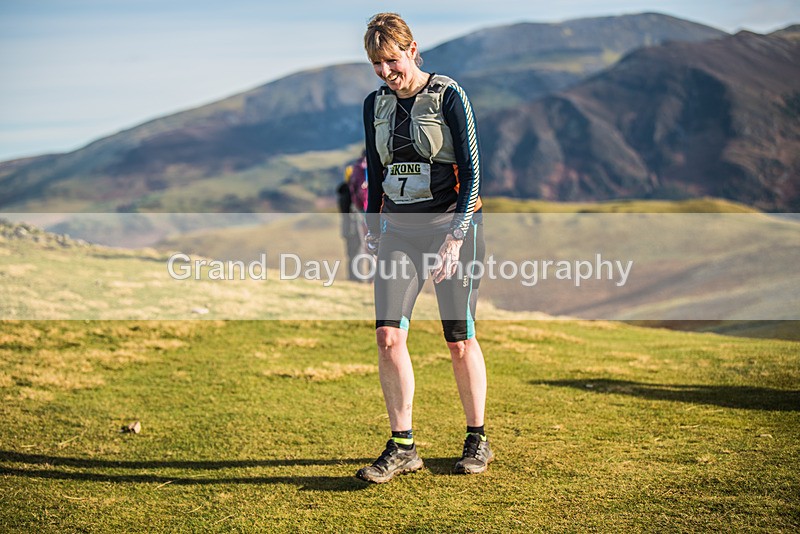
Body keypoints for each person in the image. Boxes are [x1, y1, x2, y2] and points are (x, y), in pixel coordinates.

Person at [356, 12, 493, 484]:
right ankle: (403, 446)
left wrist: (455, 238)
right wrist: (372, 229)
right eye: (377, 65)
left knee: (459, 340)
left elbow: (473, 174)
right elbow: (375, 172)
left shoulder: (448, 94)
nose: (385, 73)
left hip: (450, 230)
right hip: (399, 232)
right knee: (388, 337)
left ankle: (477, 438)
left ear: (412, 50)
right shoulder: (375, 104)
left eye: (391, 61)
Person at [337, 153, 369, 281]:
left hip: (348, 225)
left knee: (353, 253)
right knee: (358, 251)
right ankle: (358, 279)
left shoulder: (343, 192)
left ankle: (355, 279)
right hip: (354, 224)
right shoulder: (348, 194)